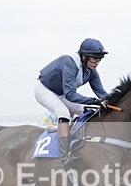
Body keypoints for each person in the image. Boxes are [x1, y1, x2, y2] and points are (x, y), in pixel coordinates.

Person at [35, 38, 110, 167]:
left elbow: (102, 93)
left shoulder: (92, 71)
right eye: (93, 58)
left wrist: (112, 102)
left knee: (87, 111)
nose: (97, 62)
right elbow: (70, 94)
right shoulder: (69, 63)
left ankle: (78, 144)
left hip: (61, 94)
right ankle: (64, 157)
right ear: (83, 57)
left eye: (99, 59)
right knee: (63, 112)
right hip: (44, 90)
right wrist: (94, 101)